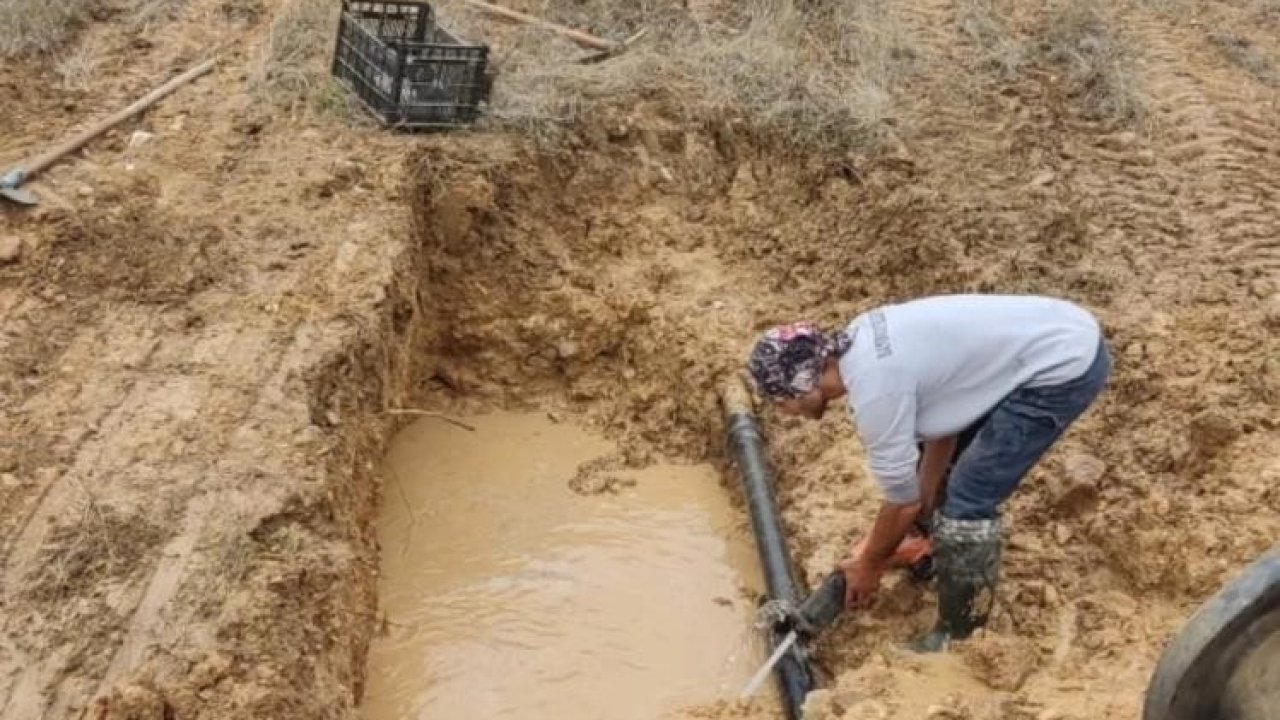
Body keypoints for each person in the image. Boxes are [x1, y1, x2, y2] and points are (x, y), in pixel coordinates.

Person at [746, 294, 1111, 652]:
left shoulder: (876, 392)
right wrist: (917, 520)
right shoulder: (860, 343)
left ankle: (960, 636)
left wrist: (870, 563)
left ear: (803, 382)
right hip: (1057, 330)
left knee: (969, 495)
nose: (784, 412)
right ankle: (932, 548)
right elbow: (943, 428)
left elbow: (900, 502)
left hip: (1062, 367)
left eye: (781, 401)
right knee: (940, 480)